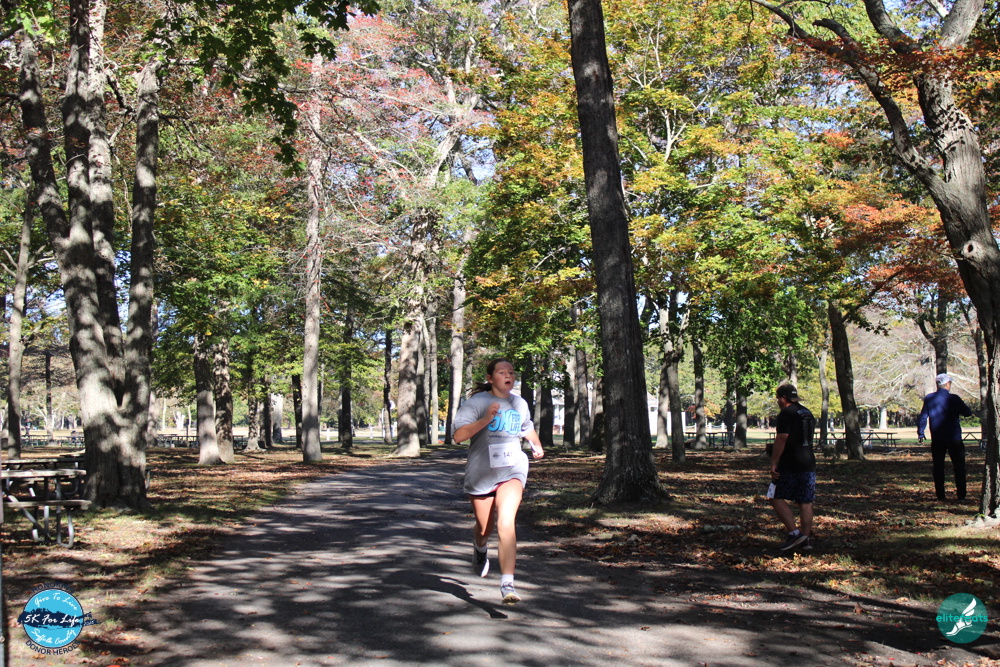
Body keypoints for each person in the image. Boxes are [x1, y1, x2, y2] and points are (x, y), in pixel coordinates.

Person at [452, 358, 544, 604]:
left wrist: (536, 445)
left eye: (511, 372)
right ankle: (480, 547)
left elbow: (526, 428)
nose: (508, 375)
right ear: (490, 378)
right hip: (482, 472)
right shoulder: (477, 403)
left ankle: (507, 584)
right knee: (485, 528)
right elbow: (458, 436)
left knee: (506, 522)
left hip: (512, 469)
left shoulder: (520, 403)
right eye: (502, 372)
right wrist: (485, 419)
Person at [767, 383, 817, 553]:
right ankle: (805, 539)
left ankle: (794, 534)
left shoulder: (786, 413)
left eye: (778, 398)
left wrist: (774, 462)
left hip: (790, 461)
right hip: (808, 461)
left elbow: (782, 438)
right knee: (805, 501)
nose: (777, 402)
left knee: (774, 496)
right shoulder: (807, 413)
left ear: (784, 398)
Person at [918, 373, 973, 501]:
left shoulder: (929, 398)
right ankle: (961, 495)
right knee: (959, 466)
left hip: (937, 437)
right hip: (954, 437)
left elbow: (923, 416)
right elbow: (967, 413)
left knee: (938, 466)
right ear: (947, 384)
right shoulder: (954, 399)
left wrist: (921, 432)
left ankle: (941, 495)